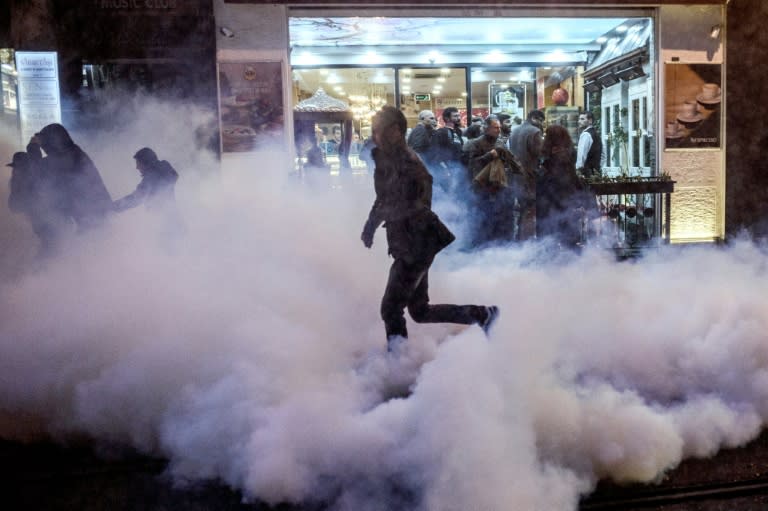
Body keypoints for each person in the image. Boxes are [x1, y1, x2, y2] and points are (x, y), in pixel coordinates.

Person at [360, 106, 499, 353]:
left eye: (377, 131)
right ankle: (483, 315)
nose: (374, 136)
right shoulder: (389, 160)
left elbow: (412, 201)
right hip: (412, 241)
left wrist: (383, 221)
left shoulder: (407, 162)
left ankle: (398, 362)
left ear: (394, 131)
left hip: (417, 241)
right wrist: (371, 226)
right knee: (419, 311)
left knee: (391, 308)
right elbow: (383, 199)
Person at [26, 123, 112, 230]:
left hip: (90, 216)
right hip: (93, 213)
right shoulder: (73, 152)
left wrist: (33, 147)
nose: (43, 147)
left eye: (45, 143)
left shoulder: (67, 157)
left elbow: (38, 171)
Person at [537, 124, 596, 250]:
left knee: (549, 232)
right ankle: (570, 259)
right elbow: (572, 174)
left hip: (549, 196)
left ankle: (548, 256)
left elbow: (544, 172)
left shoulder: (546, 152)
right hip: (566, 194)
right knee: (568, 230)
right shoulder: (570, 151)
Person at [463, 118, 521, 245]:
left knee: (503, 219)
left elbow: (510, 162)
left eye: (499, 127)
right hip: (484, 189)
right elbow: (473, 165)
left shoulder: (500, 142)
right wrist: (490, 155)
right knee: (485, 219)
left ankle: (503, 243)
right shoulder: (475, 144)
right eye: (495, 127)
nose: (498, 130)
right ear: (486, 128)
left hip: (501, 187)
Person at [6, 151, 62, 256]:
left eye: (19, 167)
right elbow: (13, 206)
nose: (16, 170)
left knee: (51, 247)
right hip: (39, 224)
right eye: (16, 168)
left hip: (50, 222)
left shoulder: (34, 179)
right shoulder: (18, 182)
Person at [507, 109, 545, 241]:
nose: (541, 124)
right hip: (529, 176)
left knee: (521, 209)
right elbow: (540, 153)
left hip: (516, 175)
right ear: (535, 118)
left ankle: (518, 238)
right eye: (541, 121)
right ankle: (526, 240)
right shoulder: (534, 132)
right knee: (530, 209)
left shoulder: (515, 130)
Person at [114, 147, 179, 212]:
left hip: (161, 218)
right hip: (173, 216)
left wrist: (114, 207)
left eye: (138, 163)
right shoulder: (162, 172)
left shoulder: (151, 178)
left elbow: (136, 198)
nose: (137, 167)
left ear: (146, 162)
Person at [427, 106, 466, 193]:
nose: (458, 118)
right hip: (447, 170)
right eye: (455, 116)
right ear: (447, 118)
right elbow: (435, 152)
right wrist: (444, 169)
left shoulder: (458, 132)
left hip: (458, 169)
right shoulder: (441, 132)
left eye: (458, 116)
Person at [575, 111, 603, 179]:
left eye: (582, 119)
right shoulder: (596, 134)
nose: (579, 121)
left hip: (586, 173)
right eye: (579, 119)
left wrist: (578, 169)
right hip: (596, 172)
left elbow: (581, 155)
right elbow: (603, 155)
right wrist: (597, 167)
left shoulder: (585, 135)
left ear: (590, 121)